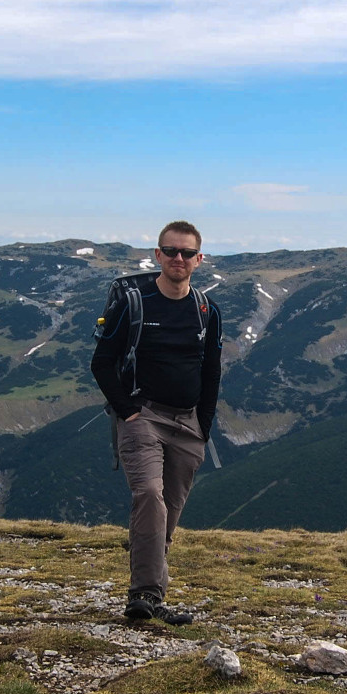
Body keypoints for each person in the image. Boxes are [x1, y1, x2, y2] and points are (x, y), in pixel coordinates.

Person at [90, 220, 222, 625]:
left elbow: (212, 369)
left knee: (170, 508)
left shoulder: (206, 310)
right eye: (170, 251)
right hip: (142, 415)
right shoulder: (134, 303)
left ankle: (148, 580)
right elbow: (102, 362)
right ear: (157, 255)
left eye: (186, 253)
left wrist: (204, 425)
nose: (178, 259)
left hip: (188, 425)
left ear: (199, 260)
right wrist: (127, 408)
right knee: (149, 494)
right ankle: (146, 595)